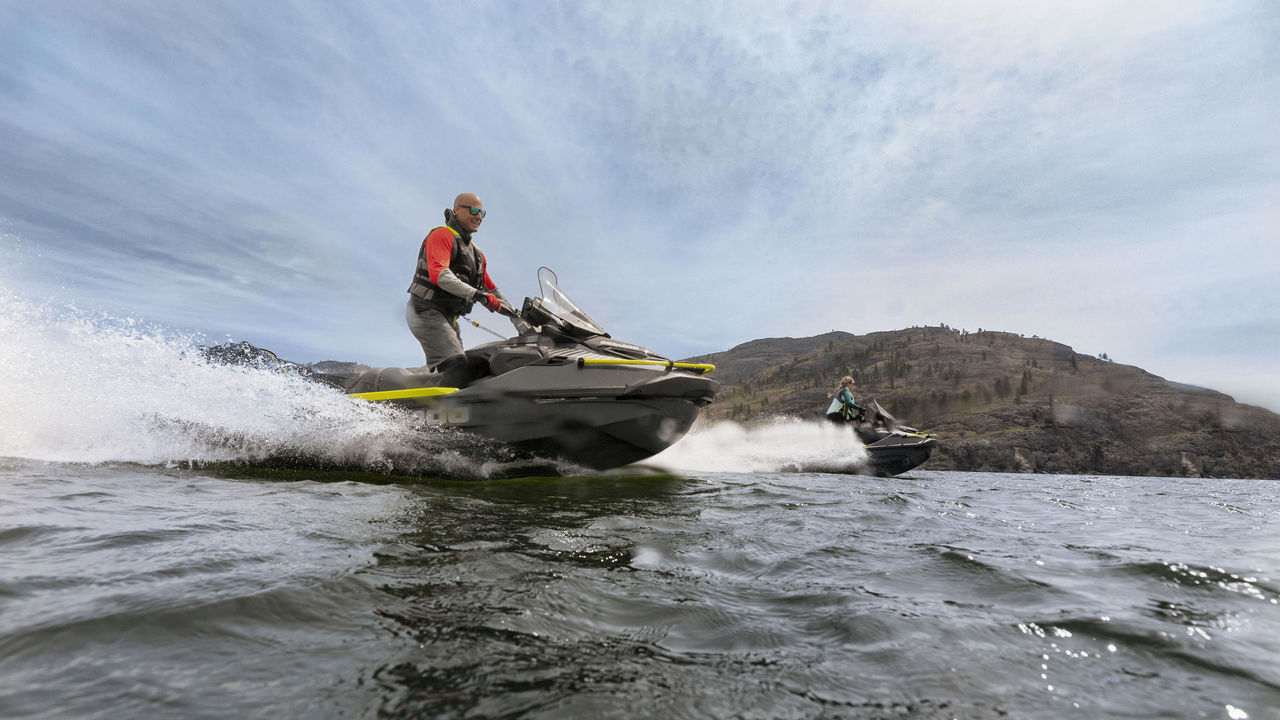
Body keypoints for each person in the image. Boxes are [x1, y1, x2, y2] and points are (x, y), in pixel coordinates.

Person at [405, 193, 512, 379]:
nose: (478, 216)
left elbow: (492, 290)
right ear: (457, 210)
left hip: (448, 317)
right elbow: (441, 275)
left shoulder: (477, 255)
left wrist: (518, 316)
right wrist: (478, 295)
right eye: (473, 210)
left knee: (479, 366)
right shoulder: (442, 235)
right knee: (456, 366)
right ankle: (439, 408)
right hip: (425, 312)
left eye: (482, 213)